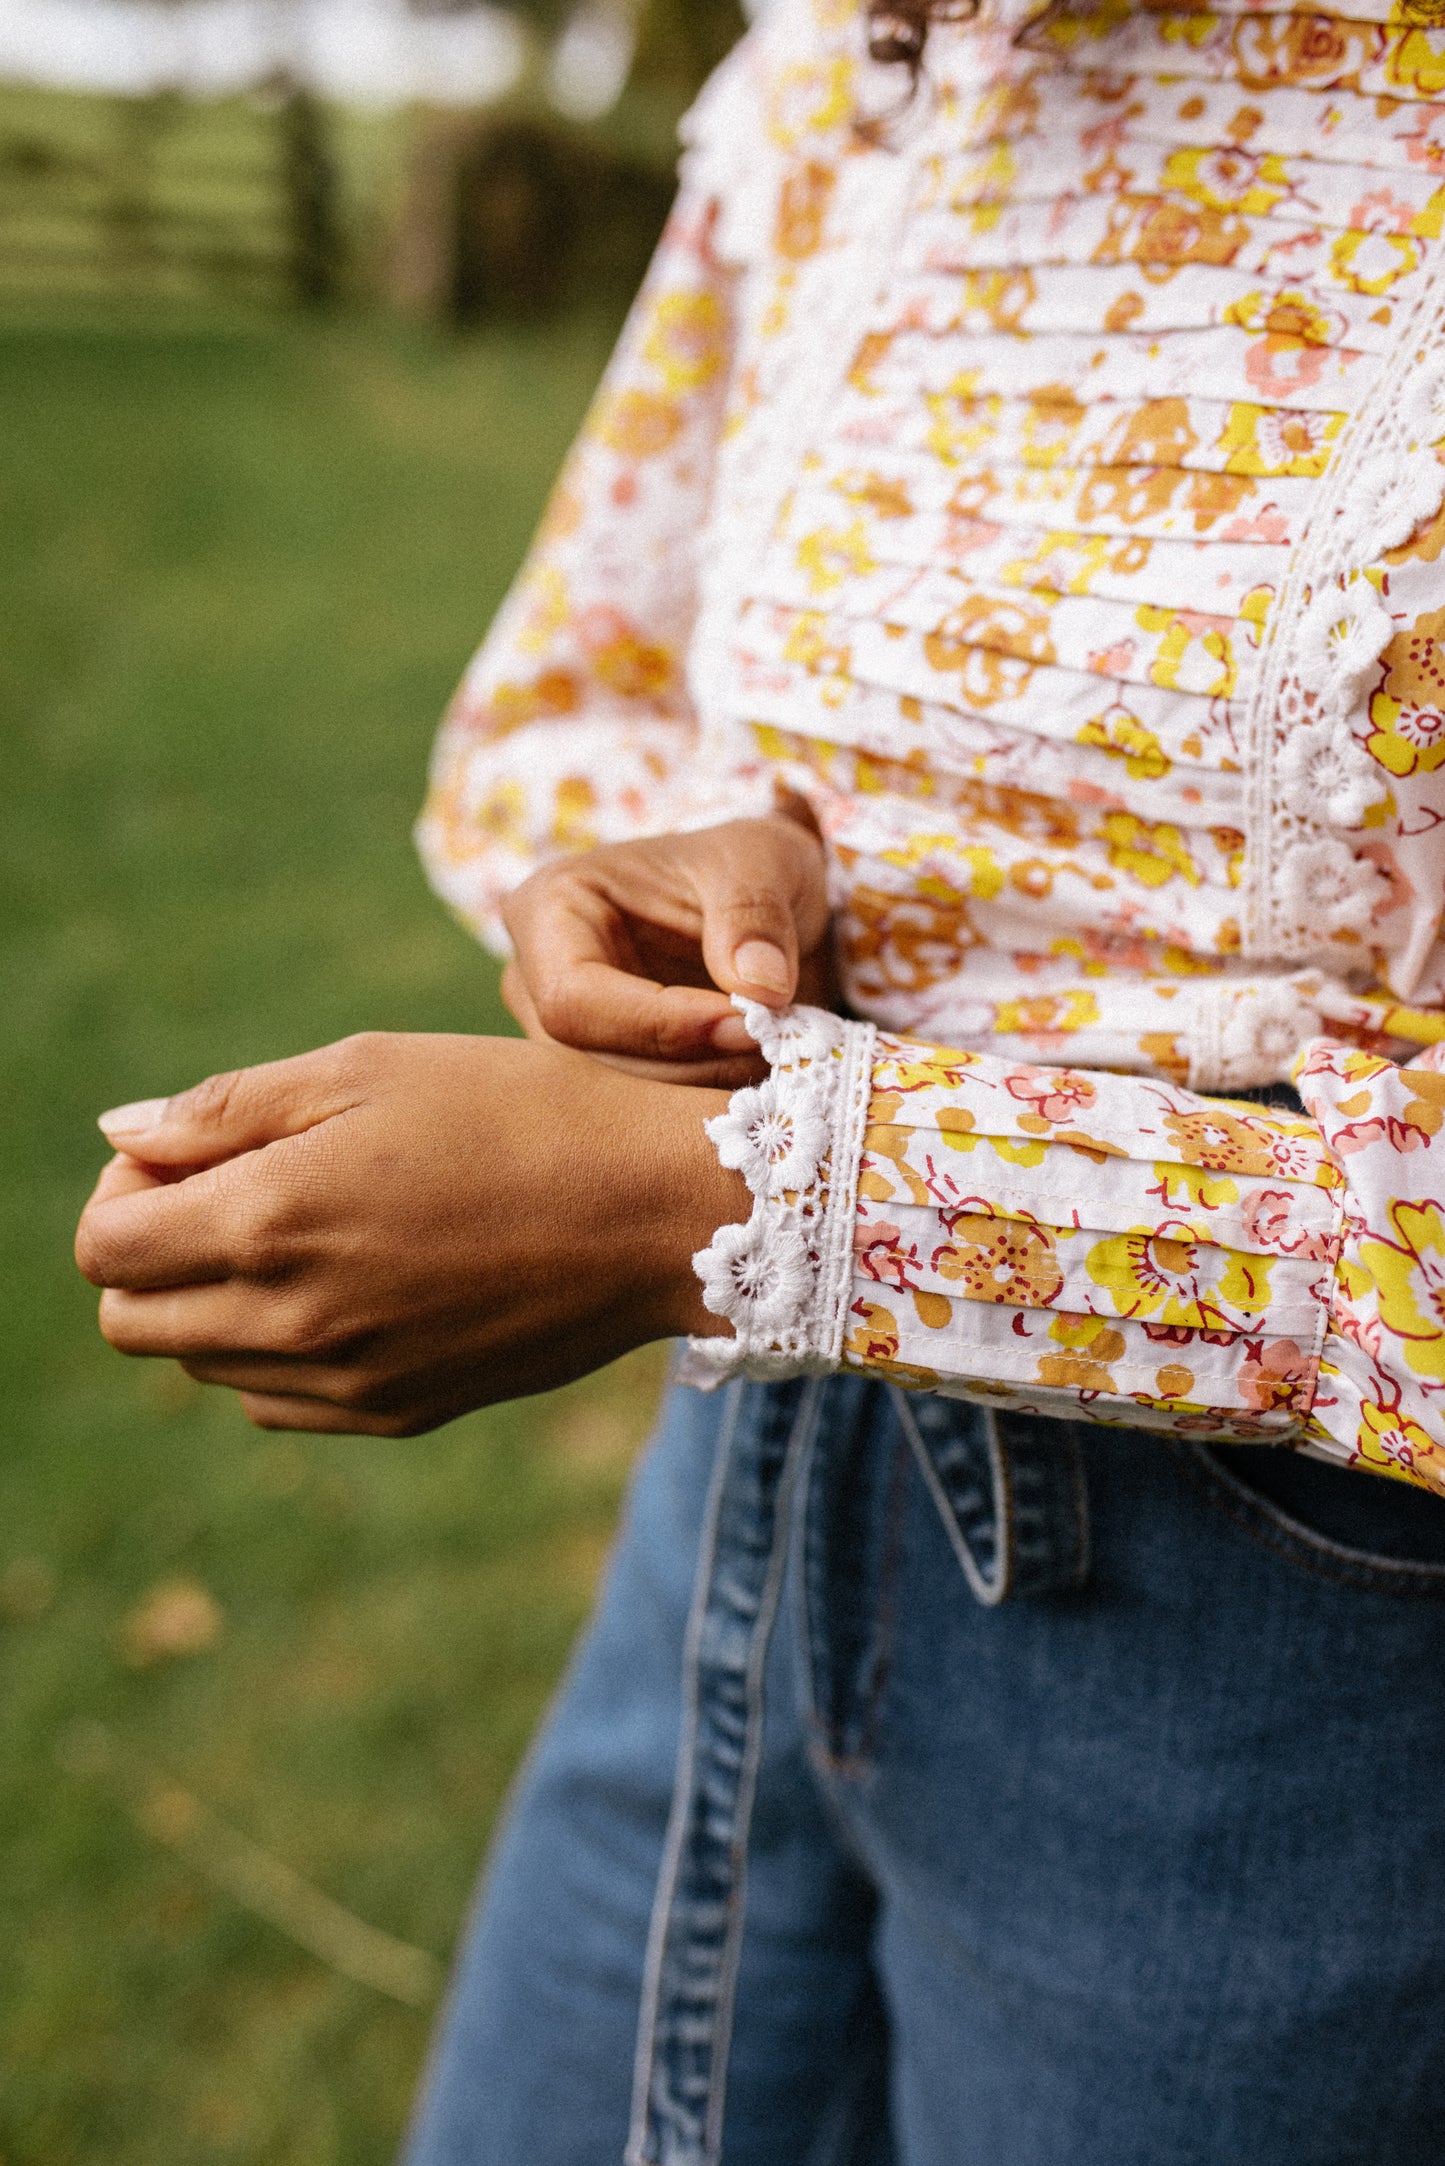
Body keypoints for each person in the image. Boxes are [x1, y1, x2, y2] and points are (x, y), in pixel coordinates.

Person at [76, 0, 1445, 2153]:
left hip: (1299, 1677)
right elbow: (572, 680)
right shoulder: (846, 62)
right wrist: (703, 855)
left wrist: (732, 1197)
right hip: (737, 1523)